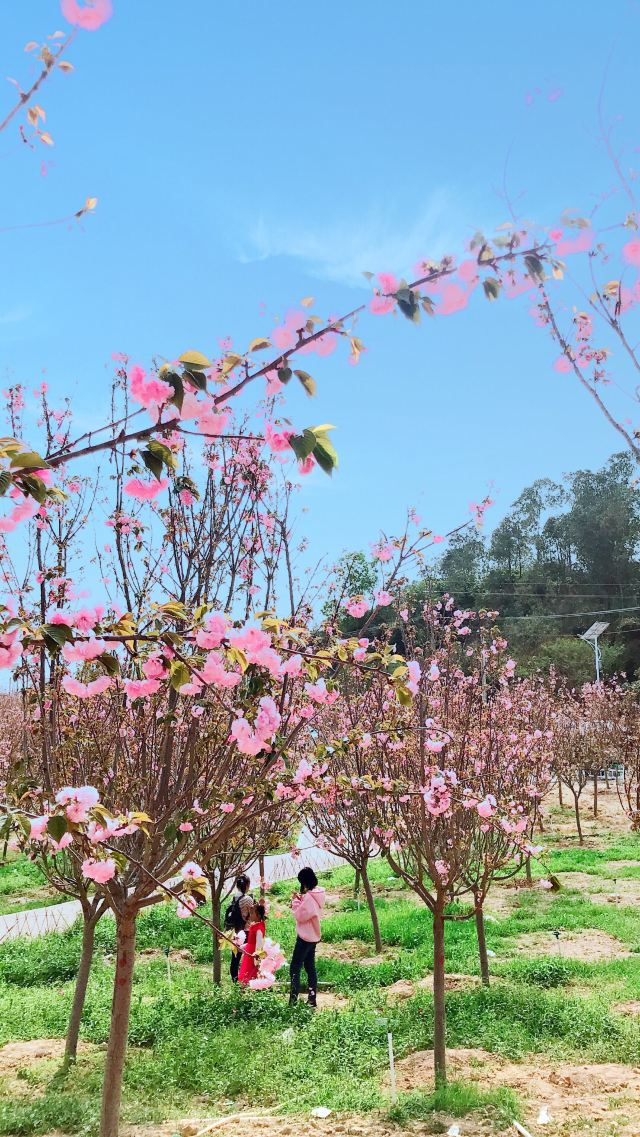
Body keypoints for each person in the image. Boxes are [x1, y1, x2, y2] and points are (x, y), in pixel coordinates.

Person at [289, 867, 325, 1008]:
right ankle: (312, 998)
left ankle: (293, 1000)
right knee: (310, 967)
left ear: (304, 882)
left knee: (294, 968)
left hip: (304, 938)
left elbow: (300, 915)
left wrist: (295, 902)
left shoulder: (309, 897)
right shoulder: (318, 894)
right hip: (313, 937)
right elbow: (309, 909)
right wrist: (301, 899)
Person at [225, 873, 253, 983]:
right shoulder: (247, 899)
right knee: (249, 956)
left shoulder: (235, 897)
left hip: (235, 931)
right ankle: (248, 979)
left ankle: (235, 980)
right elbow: (252, 915)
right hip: (246, 931)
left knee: (235, 958)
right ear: (247, 885)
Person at [238, 901, 266, 986]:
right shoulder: (256, 926)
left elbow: (259, 945)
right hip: (249, 952)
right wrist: (243, 947)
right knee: (247, 972)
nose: (251, 915)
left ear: (259, 915)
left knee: (249, 973)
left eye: (253, 913)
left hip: (253, 955)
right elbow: (251, 942)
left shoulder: (259, 928)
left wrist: (257, 960)